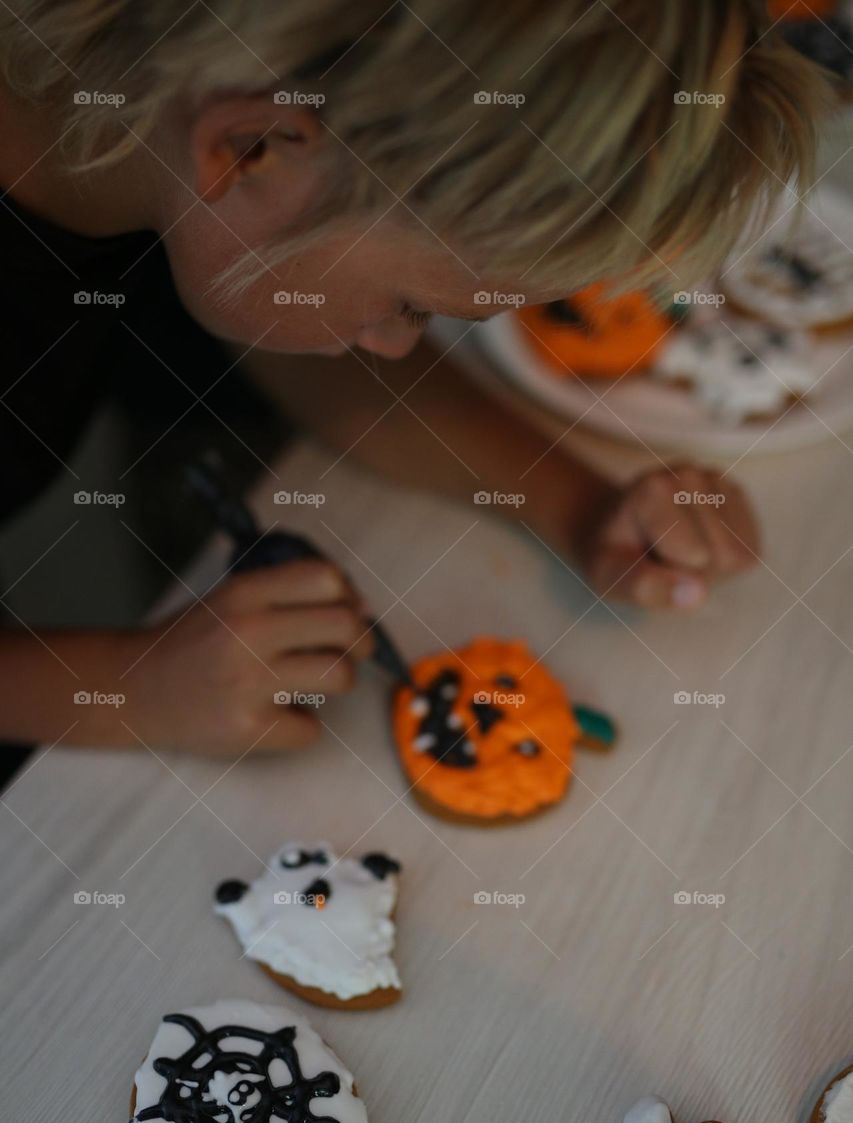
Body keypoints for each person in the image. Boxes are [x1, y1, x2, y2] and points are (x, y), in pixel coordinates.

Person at [0, 0, 831, 756]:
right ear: (250, 148)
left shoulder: (161, 158)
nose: (396, 351)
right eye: (406, 304)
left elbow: (290, 345)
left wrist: (579, 506)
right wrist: (121, 690)